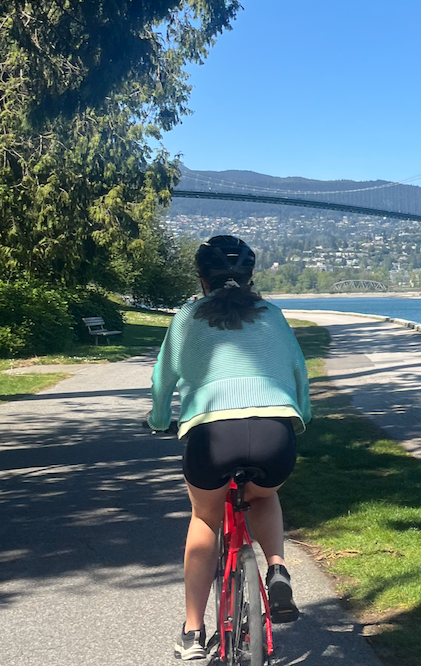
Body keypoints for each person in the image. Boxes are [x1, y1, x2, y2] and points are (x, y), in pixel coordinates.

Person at [147, 235, 311, 660]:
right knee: (264, 495)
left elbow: (163, 377)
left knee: (205, 518)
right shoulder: (271, 314)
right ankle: (276, 569)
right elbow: (298, 371)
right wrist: (302, 416)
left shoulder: (187, 317)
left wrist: (160, 419)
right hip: (275, 432)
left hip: (212, 436)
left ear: (201, 278)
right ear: (250, 277)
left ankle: (193, 634)